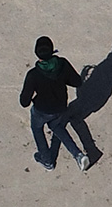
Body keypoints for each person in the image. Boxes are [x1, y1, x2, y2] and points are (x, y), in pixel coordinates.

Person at [20, 36, 89, 171]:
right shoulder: (62, 63)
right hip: (61, 108)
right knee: (56, 127)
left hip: (42, 110)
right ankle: (79, 155)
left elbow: (24, 102)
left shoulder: (33, 74)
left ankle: (47, 161)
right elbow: (77, 82)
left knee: (37, 128)